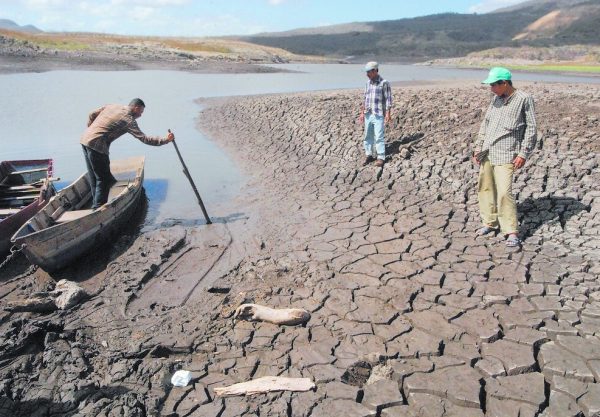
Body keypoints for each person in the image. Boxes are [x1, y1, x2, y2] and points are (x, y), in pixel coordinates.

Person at [473, 67, 537, 247]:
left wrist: (524, 153)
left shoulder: (524, 99)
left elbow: (532, 129)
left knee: (504, 192)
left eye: (494, 85)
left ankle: (511, 231)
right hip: (487, 152)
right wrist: (478, 148)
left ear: (505, 83)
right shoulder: (495, 99)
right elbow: (485, 125)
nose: (491, 88)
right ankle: (489, 222)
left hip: (507, 153)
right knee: (484, 189)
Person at [80, 98, 174, 209]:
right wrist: (166, 140)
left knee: (94, 177)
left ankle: (96, 205)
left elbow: (91, 114)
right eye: (141, 112)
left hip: (85, 139)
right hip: (98, 146)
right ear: (136, 108)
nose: (140, 115)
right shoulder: (129, 120)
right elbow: (145, 139)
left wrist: (91, 129)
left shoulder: (112, 105)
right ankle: (98, 209)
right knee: (103, 179)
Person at [359, 61, 392, 168]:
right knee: (367, 136)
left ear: (375, 71)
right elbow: (365, 99)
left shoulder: (384, 83)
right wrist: (362, 113)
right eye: (366, 72)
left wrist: (388, 113)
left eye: (369, 72)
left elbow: (388, 99)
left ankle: (381, 157)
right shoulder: (367, 83)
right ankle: (369, 155)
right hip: (368, 113)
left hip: (378, 114)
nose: (367, 74)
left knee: (379, 136)